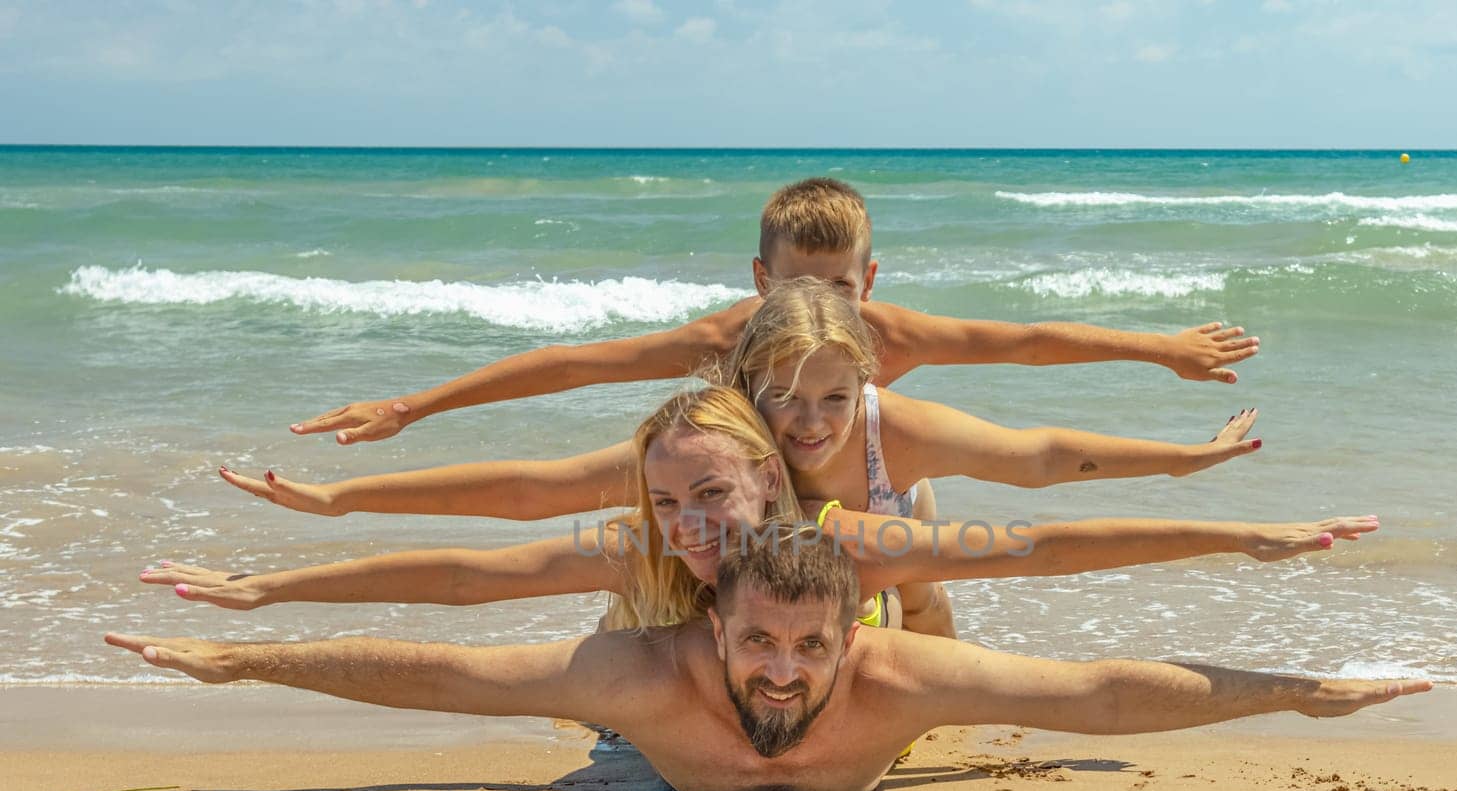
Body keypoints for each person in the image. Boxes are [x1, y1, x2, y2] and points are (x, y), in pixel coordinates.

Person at [106, 526, 1431, 791]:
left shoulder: (899, 673)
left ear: (854, 635)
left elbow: (1098, 692)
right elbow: (447, 671)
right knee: (583, 732)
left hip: (890, 727)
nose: (784, 667)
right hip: (652, 756)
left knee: (1007, 698)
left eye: (810, 643)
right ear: (712, 628)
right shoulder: (639, 671)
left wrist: (1301, 689)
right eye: (758, 639)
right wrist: (237, 656)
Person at [216, 283, 1262, 639]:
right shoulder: (710, 454)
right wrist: (346, 495)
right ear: (747, 389)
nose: (808, 425)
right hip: (713, 608)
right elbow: (529, 488)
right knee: (615, 556)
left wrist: (1178, 459)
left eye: (832, 401)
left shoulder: (887, 426)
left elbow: (1043, 455)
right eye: (783, 401)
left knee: (931, 546)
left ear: (865, 376)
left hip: (849, 597)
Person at [150, 387, 1373, 636]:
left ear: (772, 487)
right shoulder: (642, 538)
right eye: (668, 497)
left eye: (713, 497)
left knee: (929, 573)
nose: (690, 520)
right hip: (678, 668)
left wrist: (1240, 529)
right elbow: (477, 564)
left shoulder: (832, 535)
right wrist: (274, 583)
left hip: (831, 623)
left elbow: (1039, 536)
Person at [285, 177, 1261, 448]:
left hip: (863, 489)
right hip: (754, 498)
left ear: (868, 283)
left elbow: (1031, 341)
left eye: (840, 286)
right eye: (799, 284)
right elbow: (571, 361)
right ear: (760, 280)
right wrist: (411, 406)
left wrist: (1158, 349)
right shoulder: (721, 340)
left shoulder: (893, 337)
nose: (819, 304)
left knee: (919, 529)